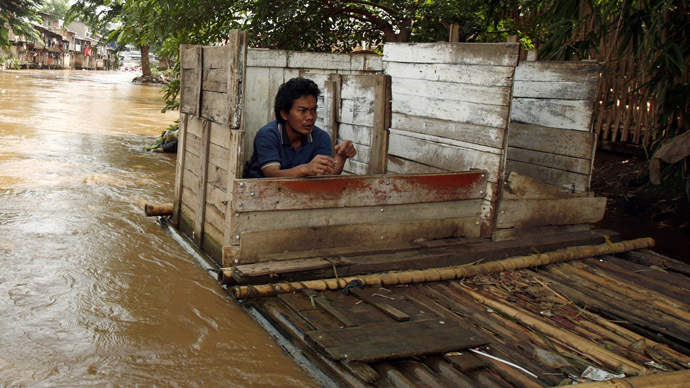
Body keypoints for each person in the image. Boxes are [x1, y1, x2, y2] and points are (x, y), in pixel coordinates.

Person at [243, 77, 356, 178]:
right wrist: (304, 169)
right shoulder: (268, 135)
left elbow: (323, 177)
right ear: (284, 114)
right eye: (302, 111)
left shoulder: (321, 137)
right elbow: (271, 174)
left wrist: (341, 157)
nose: (310, 117)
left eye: (313, 110)